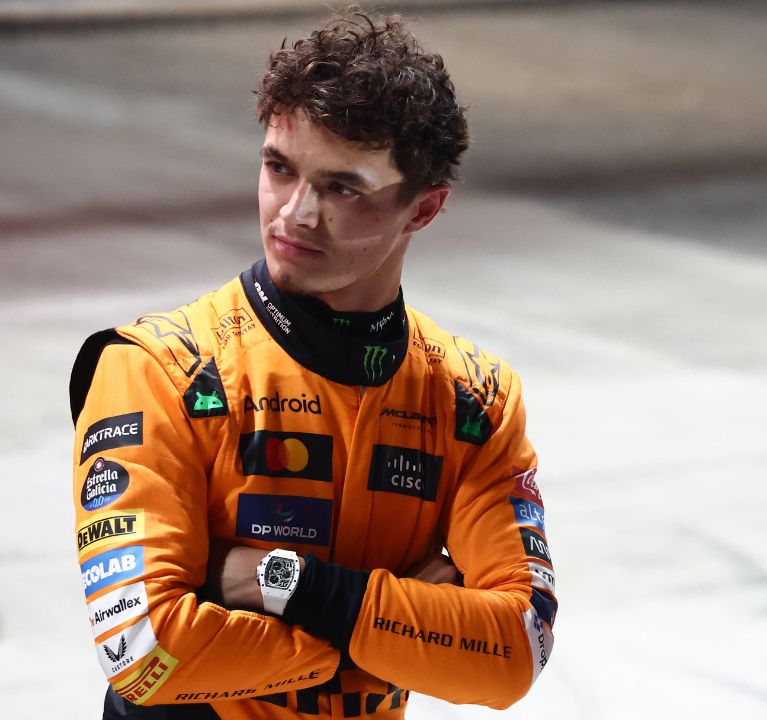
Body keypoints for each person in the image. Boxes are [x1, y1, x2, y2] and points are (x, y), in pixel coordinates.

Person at [69, 10, 555, 719]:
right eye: (278, 167)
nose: (294, 214)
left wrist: (282, 583)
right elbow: (144, 655)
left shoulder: (473, 399)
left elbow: (516, 653)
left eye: (342, 188)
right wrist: (384, 641)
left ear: (423, 209)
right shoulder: (158, 369)